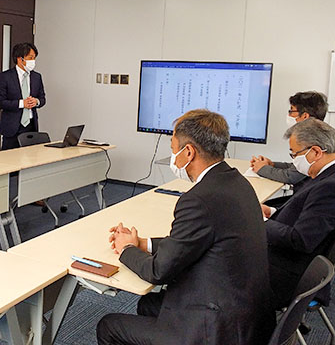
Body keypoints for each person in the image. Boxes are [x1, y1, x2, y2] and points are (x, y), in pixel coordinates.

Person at [98, 109, 274, 345]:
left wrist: (127, 249)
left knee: (108, 326)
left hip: (217, 328)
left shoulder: (198, 200)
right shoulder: (236, 181)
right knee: (148, 305)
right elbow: (190, 242)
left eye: (173, 149)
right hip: (248, 313)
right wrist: (143, 243)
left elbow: (158, 272)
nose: (173, 157)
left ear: (188, 152)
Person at [263, 118, 335, 307]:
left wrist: (260, 221)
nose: (293, 160)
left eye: (294, 154)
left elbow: (300, 240)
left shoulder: (332, 188)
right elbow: (310, 213)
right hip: (304, 261)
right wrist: (272, 211)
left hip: (287, 275)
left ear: (316, 152)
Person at [250, 91, 329, 188]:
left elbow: (290, 176)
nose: (289, 115)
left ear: (305, 116)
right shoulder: (321, 133)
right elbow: (296, 168)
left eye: (291, 111)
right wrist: (272, 164)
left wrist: (261, 168)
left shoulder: (312, 138)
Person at [0, 42, 46, 150]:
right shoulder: (5, 76)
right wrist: (22, 103)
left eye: (34, 58)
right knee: (9, 158)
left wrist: (36, 102)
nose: (33, 61)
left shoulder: (37, 77)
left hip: (31, 126)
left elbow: (42, 98)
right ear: (20, 59)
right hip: (12, 128)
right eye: (30, 58)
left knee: (31, 157)